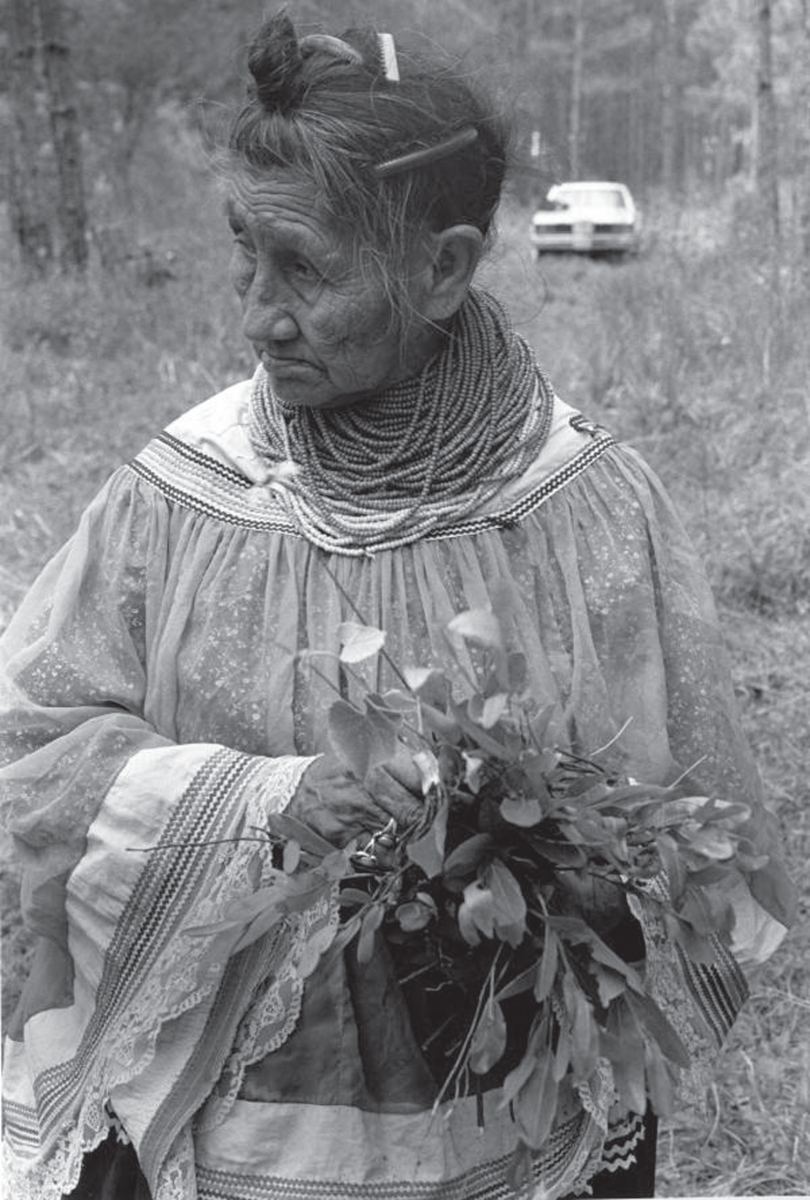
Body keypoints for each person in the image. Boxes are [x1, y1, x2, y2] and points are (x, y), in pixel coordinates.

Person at [0, 13, 794, 1200]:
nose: (255, 315)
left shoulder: (584, 511)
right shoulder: (182, 500)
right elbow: (31, 748)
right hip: (231, 1140)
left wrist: (530, 844)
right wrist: (262, 798)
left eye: (305, 270)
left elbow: (685, 837)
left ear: (443, 266)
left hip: (508, 1127)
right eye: (244, 252)